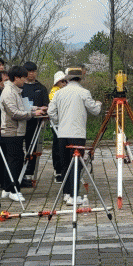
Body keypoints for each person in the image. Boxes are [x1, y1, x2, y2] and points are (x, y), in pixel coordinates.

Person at [47, 67, 102, 205]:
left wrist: (59, 121)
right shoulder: (84, 92)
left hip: (62, 133)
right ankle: (74, 195)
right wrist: (98, 104)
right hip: (77, 134)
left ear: (67, 78)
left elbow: (50, 111)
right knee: (76, 165)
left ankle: (66, 193)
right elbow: (95, 110)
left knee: (65, 164)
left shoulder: (59, 93)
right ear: (80, 78)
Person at [0, 65, 46, 202]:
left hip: (17, 131)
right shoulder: (9, 92)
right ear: (16, 78)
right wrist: (33, 114)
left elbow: (23, 106)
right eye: (23, 78)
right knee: (15, 161)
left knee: (14, 160)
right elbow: (14, 112)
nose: (25, 81)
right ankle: (14, 190)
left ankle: (7, 188)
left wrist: (37, 108)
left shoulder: (16, 90)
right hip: (11, 131)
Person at [21, 61, 49, 186]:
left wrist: (43, 110)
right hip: (21, 121)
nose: (31, 74)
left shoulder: (41, 88)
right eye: (29, 71)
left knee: (32, 147)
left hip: (35, 123)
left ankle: (30, 171)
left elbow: (46, 105)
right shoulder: (20, 87)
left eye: (34, 71)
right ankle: (20, 171)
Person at [48, 70, 68, 183]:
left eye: (66, 81)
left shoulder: (65, 91)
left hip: (65, 124)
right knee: (57, 147)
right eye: (62, 81)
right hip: (57, 125)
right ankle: (58, 171)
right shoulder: (54, 92)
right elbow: (52, 110)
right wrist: (58, 121)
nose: (64, 83)